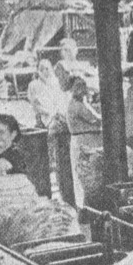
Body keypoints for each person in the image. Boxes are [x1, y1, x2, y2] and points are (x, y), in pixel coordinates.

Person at [66, 76, 102, 207]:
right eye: (78, 87)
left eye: (83, 86)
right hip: (83, 140)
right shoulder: (77, 105)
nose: (82, 90)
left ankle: (86, 206)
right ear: (72, 89)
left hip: (84, 140)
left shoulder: (80, 103)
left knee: (84, 175)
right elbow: (95, 119)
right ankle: (86, 207)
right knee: (86, 175)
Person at [27, 59, 62, 129]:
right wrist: (49, 113)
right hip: (44, 115)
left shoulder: (56, 83)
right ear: (38, 71)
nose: (45, 71)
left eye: (47, 68)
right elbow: (35, 105)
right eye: (41, 69)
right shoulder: (34, 85)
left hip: (57, 113)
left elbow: (60, 100)